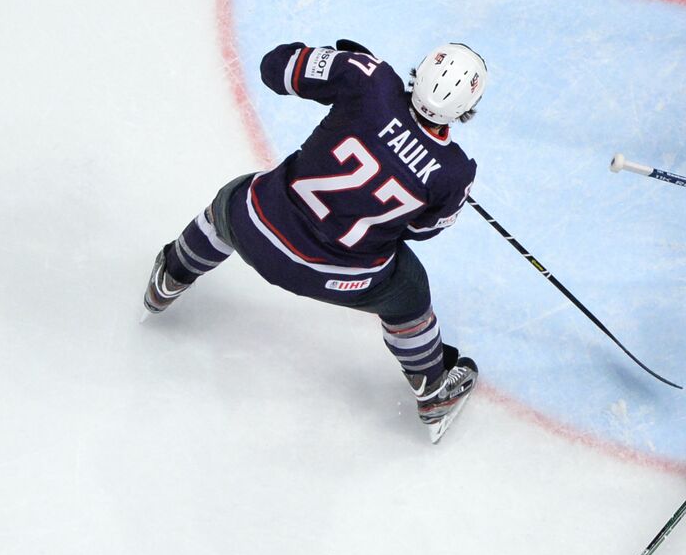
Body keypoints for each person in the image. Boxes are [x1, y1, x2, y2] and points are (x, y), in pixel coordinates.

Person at [143, 39, 486, 442]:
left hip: (260, 231)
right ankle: (433, 388)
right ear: (467, 107)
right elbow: (421, 231)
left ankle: (171, 277)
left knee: (230, 204)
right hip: (342, 279)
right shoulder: (454, 172)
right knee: (409, 290)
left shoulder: (368, 78)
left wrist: (340, 64)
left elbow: (275, 69)